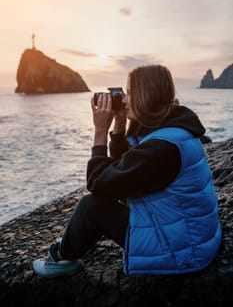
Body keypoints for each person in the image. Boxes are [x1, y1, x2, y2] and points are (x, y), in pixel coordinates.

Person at [33, 64, 222, 278]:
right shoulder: (175, 128)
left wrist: (100, 131)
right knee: (115, 194)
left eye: (130, 92)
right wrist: (120, 125)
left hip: (180, 250)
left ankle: (61, 258)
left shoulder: (161, 149)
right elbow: (127, 169)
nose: (123, 99)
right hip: (193, 235)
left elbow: (98, 183)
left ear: (145, 96)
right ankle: (77, 239)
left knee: (91, 205)